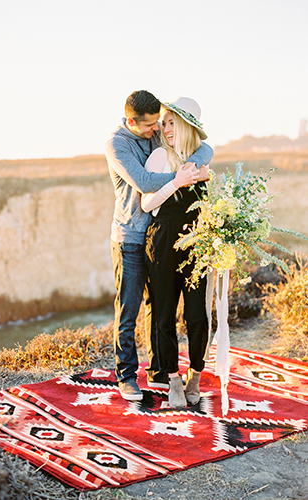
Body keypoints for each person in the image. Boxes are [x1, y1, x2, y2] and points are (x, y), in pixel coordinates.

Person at [105, 90, 213, 402]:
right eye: (153, 125)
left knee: (158, 309)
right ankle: (126, 376)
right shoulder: (118, 144)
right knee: (129, 309)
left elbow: (202, 149)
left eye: (164, 124)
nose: (158, 131)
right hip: (131, 235)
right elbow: (144, 183)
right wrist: (184, 178)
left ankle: (159, 370)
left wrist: (195, 168)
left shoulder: (155, 135)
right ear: (132, 121)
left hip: (158, 235)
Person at [142, 97, 213, 408]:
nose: (165, 128)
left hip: (197, 240)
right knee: (164, 312)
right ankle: (172, 378)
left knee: (198, 314)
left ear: (186, 127)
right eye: (165, 123)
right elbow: (146, 203)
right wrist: (177, 181)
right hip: (163, 238)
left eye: (172, 123)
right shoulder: (159, 157)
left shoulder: (202, 161)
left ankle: (195, 376)